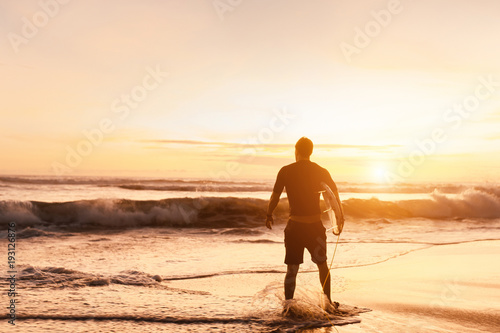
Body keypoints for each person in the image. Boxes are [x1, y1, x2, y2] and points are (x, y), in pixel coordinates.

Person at [265, 137, 341, 310]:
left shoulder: (285, 171)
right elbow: (334, 196)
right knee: (322, 266)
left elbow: (274, 196)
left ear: (296, 150)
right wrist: (339, 219)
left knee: (292, 270)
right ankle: (328, 304)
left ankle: (288, 307)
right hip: (314, 228)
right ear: (311, 151)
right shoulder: (321, 171)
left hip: (294, 228)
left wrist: (269, 214)